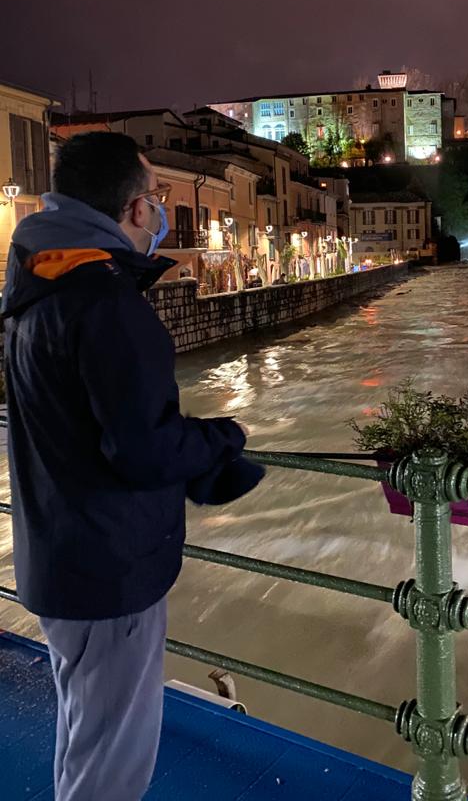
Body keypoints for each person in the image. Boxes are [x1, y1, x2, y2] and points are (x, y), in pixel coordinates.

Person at [1, 132, 266, 801]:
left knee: (86, 739)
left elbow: (88, 429)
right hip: (107, 573)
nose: (160, 212)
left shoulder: (37, 295)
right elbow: (142, 448)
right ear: (134, 210)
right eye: (155, 197)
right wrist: (221, 439)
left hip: (59, 558)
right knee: (113, 765)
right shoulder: (109, 305)